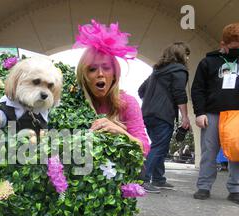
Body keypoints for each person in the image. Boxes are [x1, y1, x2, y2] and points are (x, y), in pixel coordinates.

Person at [74, 20, 150, 158]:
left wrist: (122, 133)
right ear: (84, 75)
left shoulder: (128, 103)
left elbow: (144, 149)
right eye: (92, 69)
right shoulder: (73, 103)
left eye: (106, 67)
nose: (100, 74)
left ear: (114, 74)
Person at [191, 22, 239, 204]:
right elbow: (198, 89)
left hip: (236, 115)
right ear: (223, 44)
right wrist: (199, 112)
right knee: (209, 152)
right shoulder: (208, 62)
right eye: (234, 48)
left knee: (236, 152)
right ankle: (204, 186)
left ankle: (236, 189)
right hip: (211, 114)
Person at [138, 42, 191, 193]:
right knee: (159, 146)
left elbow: (141, 91)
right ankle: (143, 179)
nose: (188, 58)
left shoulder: (156, 72)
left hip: (147, 113)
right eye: (186, 55)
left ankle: (159, 179)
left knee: (158, 145)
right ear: (181, 55)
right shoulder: (179, 70)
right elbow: (179, 93)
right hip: (163, 114)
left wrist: (152, 101)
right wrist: (185, 117)